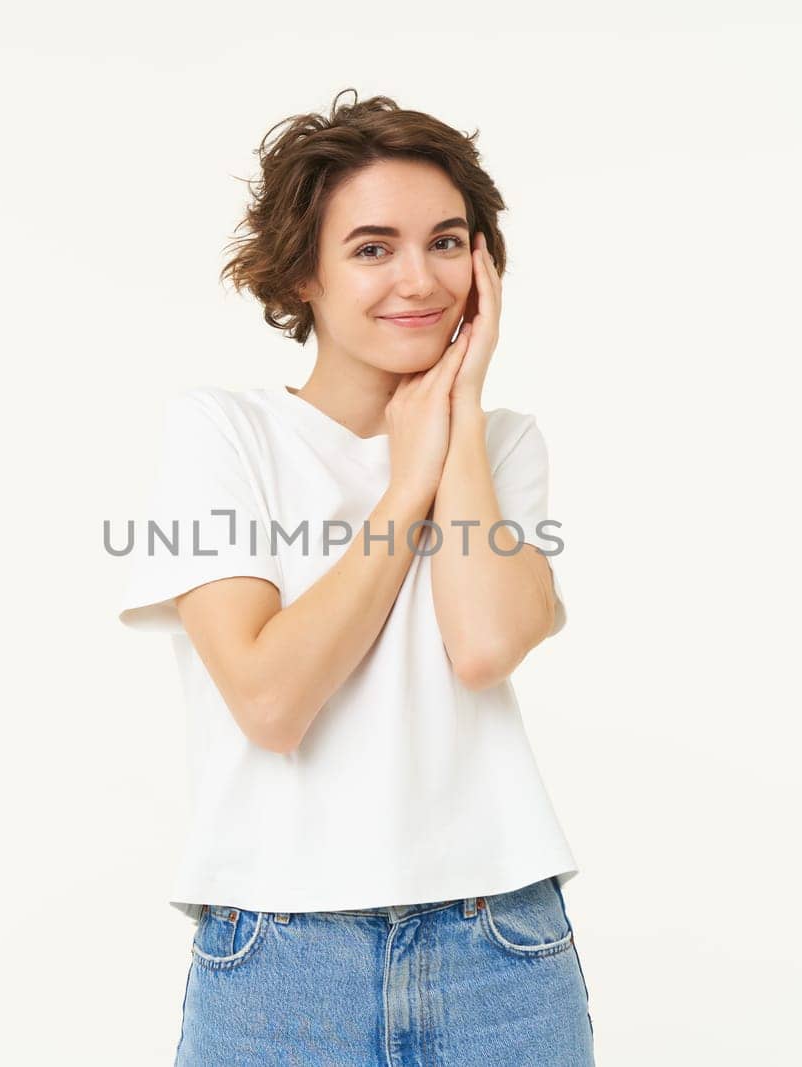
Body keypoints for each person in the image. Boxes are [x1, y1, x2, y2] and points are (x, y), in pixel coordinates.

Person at [117, 89, 595, 1065]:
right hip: (283, 959)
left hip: (501, 944)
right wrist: (407, 478)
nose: (417, 278)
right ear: (304, 273)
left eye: (447, 242)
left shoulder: (504, 447)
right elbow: (271, 698)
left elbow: (486, 643)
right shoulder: (226, 434)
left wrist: (454, 421)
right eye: (372, 247)